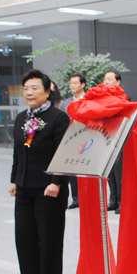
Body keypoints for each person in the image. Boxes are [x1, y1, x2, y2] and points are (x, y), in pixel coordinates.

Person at [9, 69, 70, 274]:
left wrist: (56, 182)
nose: (29, 93)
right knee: (24, 237)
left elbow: (64, 154)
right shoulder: (21, 117)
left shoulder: (58, 118)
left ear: (47, 91)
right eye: (26, 88)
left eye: (35, 88)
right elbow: (18, 152)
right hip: (24, 186)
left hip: (48, 188)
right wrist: (14, 179)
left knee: (49, 238)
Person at [60, 74, 86, 209]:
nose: (72, 86)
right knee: (73, 171)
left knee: (86, 168)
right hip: (71, 139)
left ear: (83, 84)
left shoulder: (89, 100)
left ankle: (87, 197)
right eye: (71, 83)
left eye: (75, 83)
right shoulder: (65, 103)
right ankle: (76, 199)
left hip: (86, 139)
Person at [103, 70, 125, 214]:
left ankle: (121, 202)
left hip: (119, 140)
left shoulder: (123, 98)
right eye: (105, 79)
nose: (106, 82)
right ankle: (113, 201)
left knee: (119, 174)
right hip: (106, 139)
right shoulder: (102, 99)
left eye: (110, 79)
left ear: (118, 81)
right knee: (109, 173)